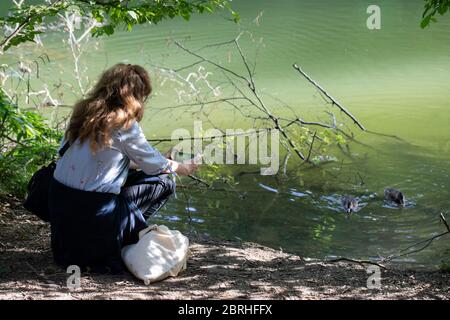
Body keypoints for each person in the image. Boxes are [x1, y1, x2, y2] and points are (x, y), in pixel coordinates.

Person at [48, 63, 198, 273]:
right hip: (92, 212)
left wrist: (156, 161)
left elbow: (104, 159)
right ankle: (120, 241)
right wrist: (184, 167)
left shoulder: (83, 114)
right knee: (165, 180)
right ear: (136, 95)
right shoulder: (123, 123)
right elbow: (158, 168)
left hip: (60, 206)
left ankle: (92, 242)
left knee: (140, 174)